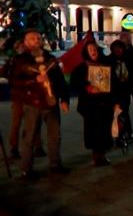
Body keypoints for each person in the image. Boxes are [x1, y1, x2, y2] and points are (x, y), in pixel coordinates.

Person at [11, 30, 71, 180]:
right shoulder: (20, 60)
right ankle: (26, 169)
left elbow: (60, 81)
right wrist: (33, 81)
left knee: (55, 136)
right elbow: (14, 81)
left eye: (38, 37)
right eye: (32, 38)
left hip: (51, 103)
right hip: (33, 103)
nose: (37, 40)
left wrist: (64, 99)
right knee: (29, 137)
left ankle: (55, 165)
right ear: (26, 42)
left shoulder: (50, 59)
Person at [70, 40, 119, 166]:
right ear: (86, 52)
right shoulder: (82, 67)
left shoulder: (106, 64)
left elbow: (115, 84)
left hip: (105, 103)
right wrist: (87, 86)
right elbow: (74, 83)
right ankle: (96, 154)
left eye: (95, 49)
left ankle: (102, 154)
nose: (93, 51)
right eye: (90, 49)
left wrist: (115, 101)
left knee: (104, 129)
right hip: (90, 105)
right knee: (93, 130)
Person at [0, 40, 43, 159]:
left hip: (32, 94)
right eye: (21, 47)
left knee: (35, 122)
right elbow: (3, 72)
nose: (23, 49)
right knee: (17, 122)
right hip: (19, 95)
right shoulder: (14, 60)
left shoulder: (30, 59)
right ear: (17, 48)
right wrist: (13, 80)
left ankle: (38, 146)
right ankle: (14, 148)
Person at [109, 40, 133, 146]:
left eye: (120, 48)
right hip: (114, 92)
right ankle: (118, 135)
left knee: (124, 113)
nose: (118, 50)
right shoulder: (110, 61)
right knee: (116, 114)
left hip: (124, 92)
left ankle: (126, 133)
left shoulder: (127, 60)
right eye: (116, 49)